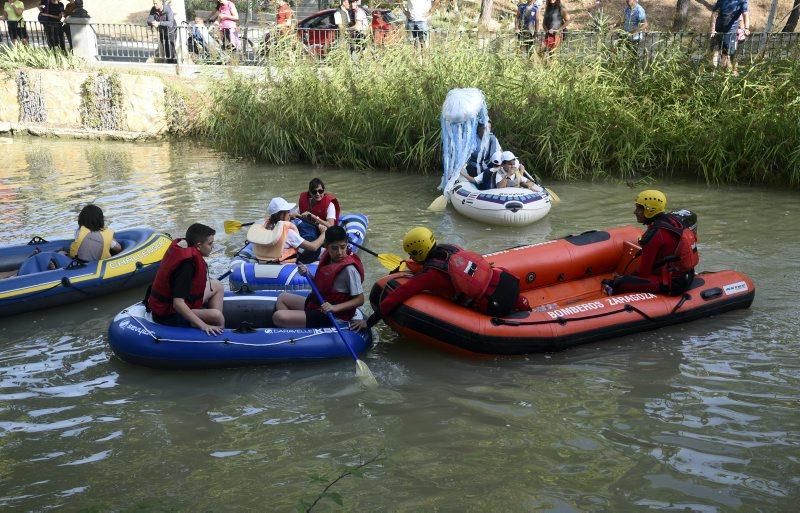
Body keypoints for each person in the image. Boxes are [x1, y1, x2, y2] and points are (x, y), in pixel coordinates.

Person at [351, 227, 530, 331]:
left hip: (494, 303)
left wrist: (370, 321)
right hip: (507, 280)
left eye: (412, 254)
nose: (411, 257)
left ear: (419, 251)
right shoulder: (450, 248)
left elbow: (398, 295)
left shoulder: (429, 276)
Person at [603, 190, 699, 296]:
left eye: (639, 208)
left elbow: (644, 273)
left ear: (650, 210)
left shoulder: (655, 235)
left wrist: (623, 279)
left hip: (675, 284)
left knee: (621, 283)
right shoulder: (671, 220)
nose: (635, 212)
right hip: (687, 275)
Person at [272, 225, 365, 328]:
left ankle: (295, 325)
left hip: (333, 315)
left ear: (347, 244)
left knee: (279, 316)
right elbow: (323, 285)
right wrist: (308, 274)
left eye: (343, 247)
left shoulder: (349, 269)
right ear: (326, 246)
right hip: (320, 304)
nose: (339, 252)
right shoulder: (327, 259)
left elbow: (360, 299)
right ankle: (295, 330)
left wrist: (334, 307)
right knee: (282, 298)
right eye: (334, 248)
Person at [147, 223, 225, 336]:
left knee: (217, 285)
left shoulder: (188, 252)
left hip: (184, 302)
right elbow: (177, 303)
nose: (213, 246)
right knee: (217, 316)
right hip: (169, 314)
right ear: (198, 245)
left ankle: (212, 322)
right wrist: (203, 325)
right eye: (210, 243)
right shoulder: (186, 266)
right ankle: (218, 332)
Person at [247, 197, 327, 264]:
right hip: (281, 261)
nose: (290, 213)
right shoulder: (288, 232)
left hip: (266, 258)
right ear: (281, 214)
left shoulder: (264, 226)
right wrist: (323, 233)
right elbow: (313, 247)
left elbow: (275, 219)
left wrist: (288, 217)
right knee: (320, 250)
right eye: (288, 211)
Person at [709, 0, 750, 71]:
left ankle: (730, 73)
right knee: (715, 52)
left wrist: (746, 28)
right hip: (717, 31)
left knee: (728, 54)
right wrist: (712, 29)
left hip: (731, 32)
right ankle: (714, 73)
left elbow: (745, 14)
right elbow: (714, 13)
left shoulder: (742, 1)